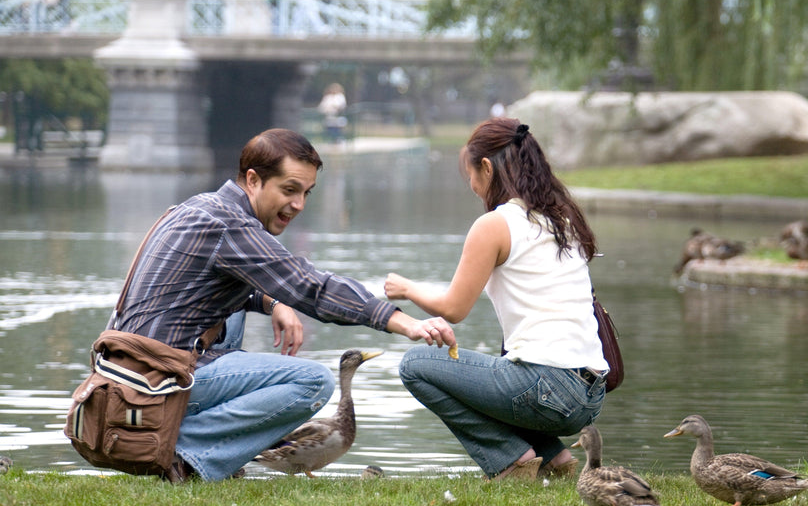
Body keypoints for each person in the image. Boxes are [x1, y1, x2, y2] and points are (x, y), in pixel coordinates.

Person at [108, 128, 455, 482]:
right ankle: (184, 456)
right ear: (254, 180)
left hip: (132, 373)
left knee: (240, 311)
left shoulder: (201, 207)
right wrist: (403, 322)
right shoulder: (228, 223)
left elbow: (207, 288)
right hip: (151, 383)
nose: (299, 204)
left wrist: (274, 303)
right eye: (289, 190)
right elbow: (310, 287)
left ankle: (196, 446)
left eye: (306, 193)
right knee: (313, 382)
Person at [384, 118, 608, 481]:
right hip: (590, 395)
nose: (472, 186)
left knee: (416, 365)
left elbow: (454, 309)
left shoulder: (495, 225)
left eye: (470, 175)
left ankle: (511, 461)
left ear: (486, 168)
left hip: (547, 389)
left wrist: (407, 289)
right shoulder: (562, 219)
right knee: (497, 371)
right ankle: (555, 459)